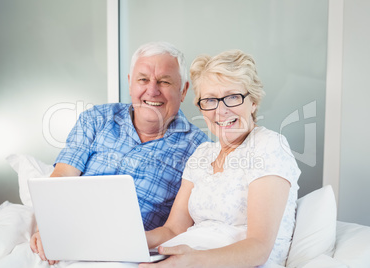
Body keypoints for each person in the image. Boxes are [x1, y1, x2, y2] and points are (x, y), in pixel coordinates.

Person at [30, 41, 209, 264]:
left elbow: (177, 227)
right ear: (130, 83)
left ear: (183, 90)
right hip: (69, 238)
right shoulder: (96, 119)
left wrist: (126, 243)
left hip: (130, 254)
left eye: (164, 81)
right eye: (143, 80)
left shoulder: (199, 147)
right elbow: (61, 177)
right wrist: (47, 229)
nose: (152, 90)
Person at [142, 50, 301, 267]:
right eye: (210, 100)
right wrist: (132, 239)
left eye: (232, 97)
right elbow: (173, 230)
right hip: (185, 258)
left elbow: (259, 248)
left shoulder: (268, 146)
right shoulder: (202, 154)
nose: (221, 110)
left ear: (252, 101)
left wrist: (192, 261)